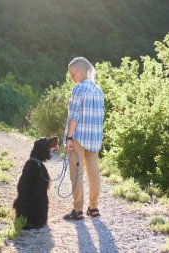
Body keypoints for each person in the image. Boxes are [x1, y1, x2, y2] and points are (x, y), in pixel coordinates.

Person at [63, 57, 104, 220]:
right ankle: (93, 208)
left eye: (73, 74)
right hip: (94, 139)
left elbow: (74, 116)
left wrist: (69, 138)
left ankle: (78, 210)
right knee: (94, 174)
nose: (71, 78)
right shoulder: (98, 91)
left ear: (81, 71)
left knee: (76, 173)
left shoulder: (79, 89)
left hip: (78, 137)